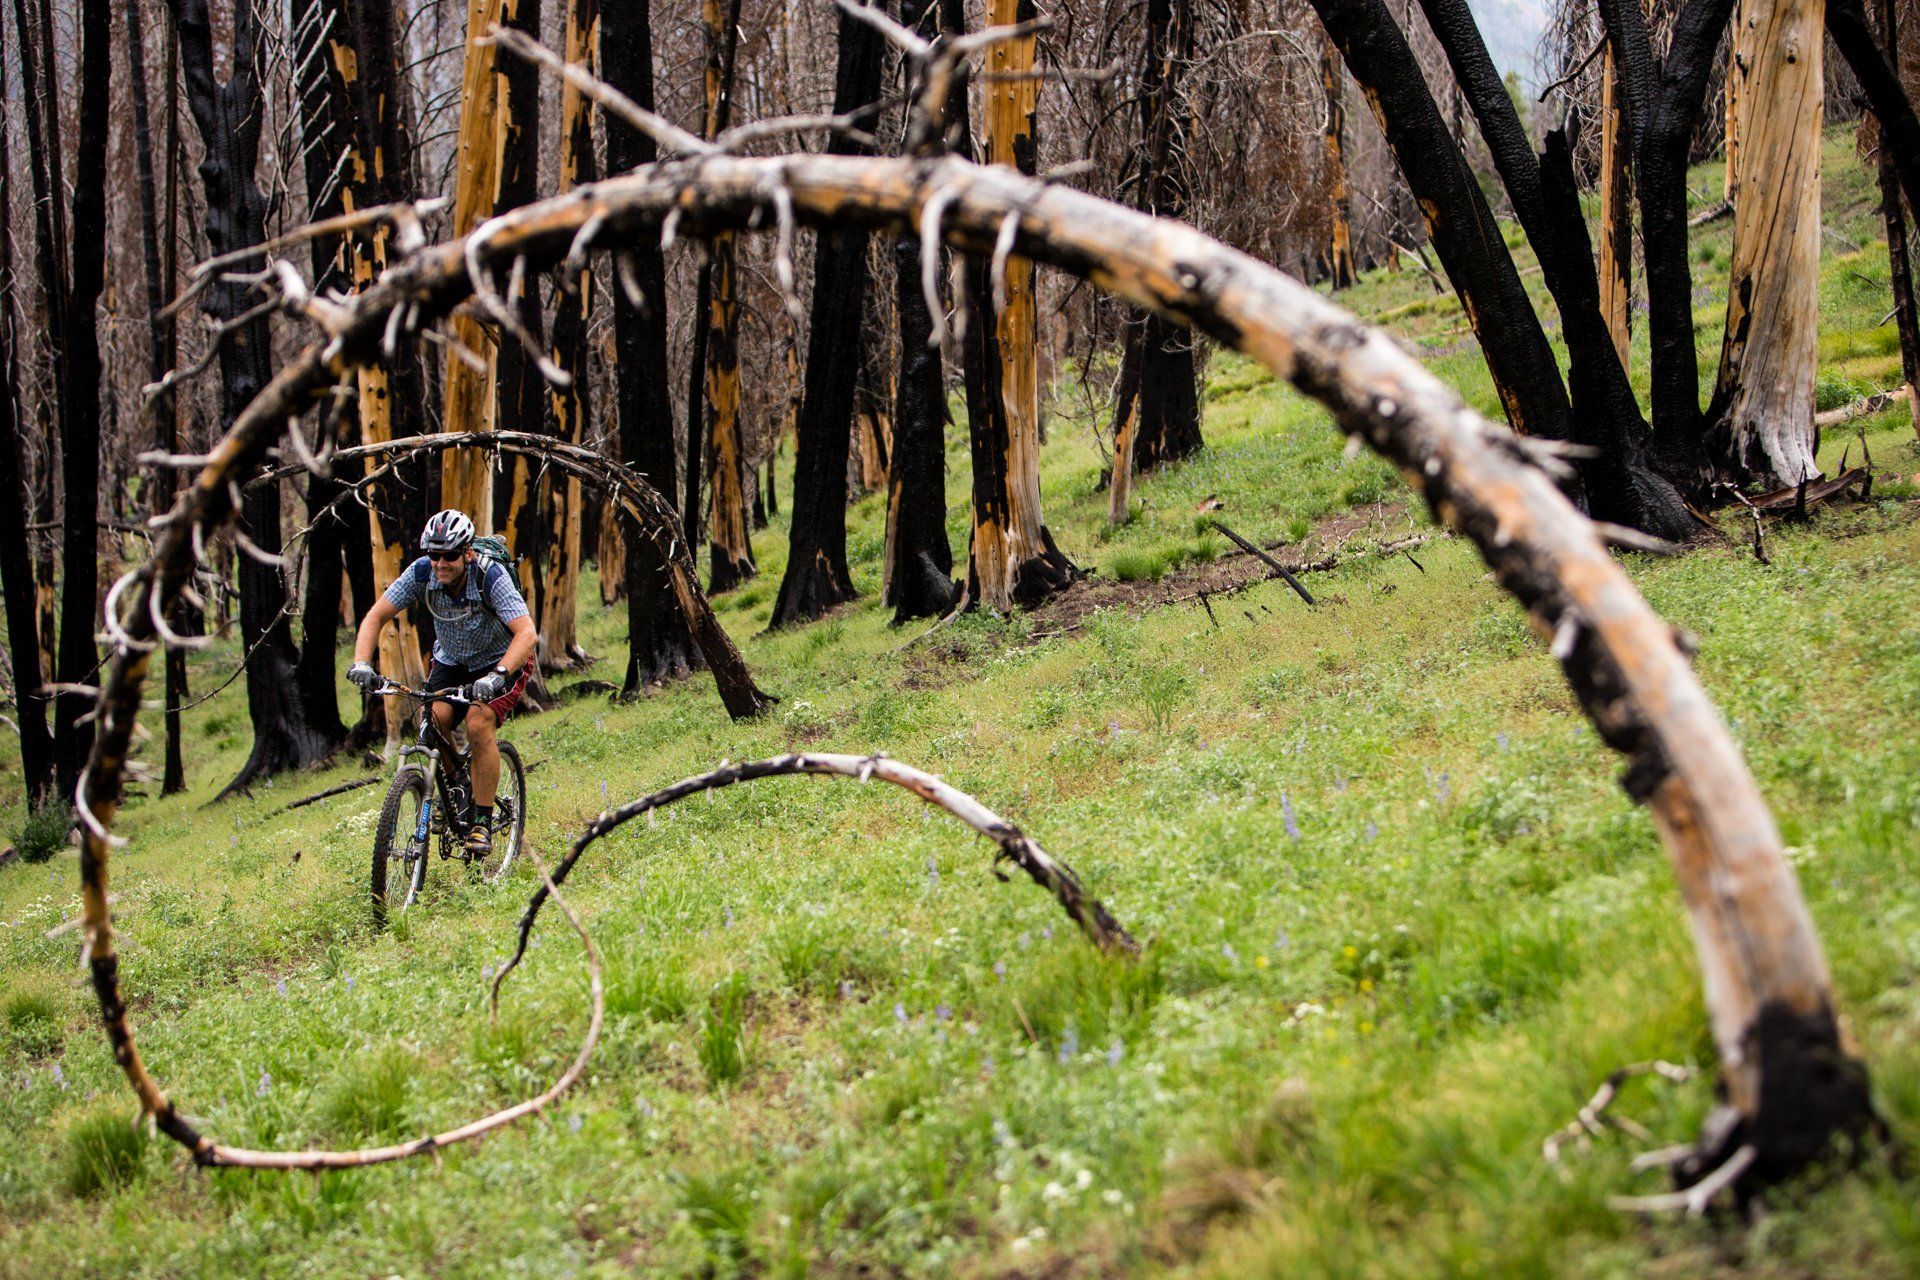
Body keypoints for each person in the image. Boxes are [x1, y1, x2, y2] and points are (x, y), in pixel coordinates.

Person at [347, 510, 537, 862]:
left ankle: (481, 820)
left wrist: (498, 675)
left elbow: (526, 633)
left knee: (478, 724)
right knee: (432, 719)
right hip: (451, 661)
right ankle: (458, 784)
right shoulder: (422, 572)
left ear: (467, 552)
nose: (440, 563)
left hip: (500, 661)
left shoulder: (489, 576)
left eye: (449, 555)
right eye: (434, 554)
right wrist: (361, 662)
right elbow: (375, 616)